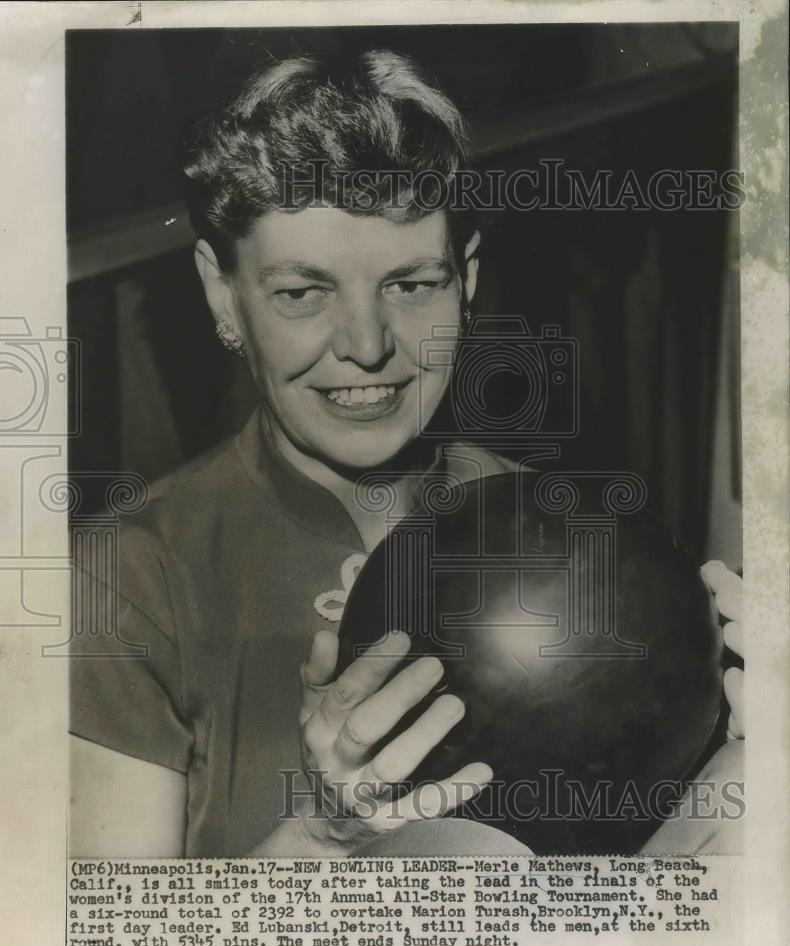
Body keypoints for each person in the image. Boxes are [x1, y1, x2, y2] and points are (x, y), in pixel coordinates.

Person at [69, 49, 744, 859]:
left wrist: (746, 758)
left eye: (411, 284)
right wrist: (322, 834)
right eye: (301, 292)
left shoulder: (572, 540)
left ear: (466, 278)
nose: (366, 347)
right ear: (224, 292)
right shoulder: (125, 580)